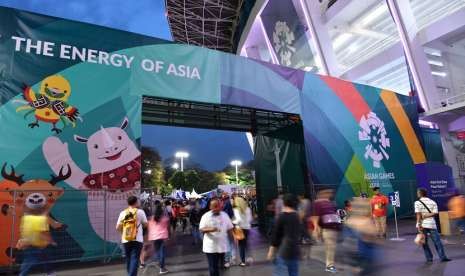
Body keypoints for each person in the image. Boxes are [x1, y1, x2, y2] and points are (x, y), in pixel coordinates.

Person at [17, 209, 60, 276]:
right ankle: (50, 273)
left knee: (43, 257)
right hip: (33, 244)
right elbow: (42, 233)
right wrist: (51, 241)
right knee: (30, 260)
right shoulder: (37, 220)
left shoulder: (27, 220)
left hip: (33, 244)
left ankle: (50, 272)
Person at [267, 194, 301, 276]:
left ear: (284, 203)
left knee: (280, 273)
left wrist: (271, 251)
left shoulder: (281, 217)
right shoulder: (297, 216)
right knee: (294, 273)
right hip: (295, 250)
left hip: (284, 251)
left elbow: (276, 235)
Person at [415, 188, 451, 263]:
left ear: (420, 194)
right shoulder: (432, 202)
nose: (417, 194)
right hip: (432, 224)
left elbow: (418, 215)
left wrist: (418, 224)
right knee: (437, 242)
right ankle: (443, 257)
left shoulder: (417, 203)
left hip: (423, 225)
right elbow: (435, 213)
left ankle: (429, 258)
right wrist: (427, 215)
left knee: (424, 242)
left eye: (418, 193)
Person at [199, 198, 234, 276]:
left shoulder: (225, 215)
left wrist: (233, 240)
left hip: (222, 246)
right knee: (213, 267)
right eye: (215, 206)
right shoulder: (206, 216)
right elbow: (201, 229)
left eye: (218, 206)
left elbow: (230, 228)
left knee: (221, 267)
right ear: (210, 207)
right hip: (210, 247)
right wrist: (211, 229)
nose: (217, 208)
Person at [116, 195, 148, 276]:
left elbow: (117, 227)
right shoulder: (140, 212)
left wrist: (124, 232)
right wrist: (140, 226)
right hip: (137, 239)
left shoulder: (123, 213)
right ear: (136, 202)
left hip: (125, 239)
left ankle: (130, 274)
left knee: (128, 258)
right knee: (135, 259)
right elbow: (145, 225)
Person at [311, 189, 341, 273]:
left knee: (331, 248)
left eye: (330, 192)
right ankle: (329, 266)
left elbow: (335, 214)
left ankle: (329, 264)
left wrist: (338, 227)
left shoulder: (331, 203)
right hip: (327, 229)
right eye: (327, 192)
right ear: (321, 193)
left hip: (333, 228)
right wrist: (316, 228)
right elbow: (315, 216)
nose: (330, 194)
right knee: (330, 248)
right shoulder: (317, 203)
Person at [147, 200, 170, 274]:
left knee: (157, 251)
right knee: (162, 251)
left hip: (154, 237)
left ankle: (160, 264)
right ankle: (162, 268)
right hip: (162, 236)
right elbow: (168, 227)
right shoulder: (165, 218)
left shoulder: (151, 219)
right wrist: (169, 235)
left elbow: (148, 227)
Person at [232, 196, 253, 266]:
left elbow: (238, 220)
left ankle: (243, 261)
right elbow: (250, 219)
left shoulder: (236, 209)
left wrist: (233, 221)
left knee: (241, 245)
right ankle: (249, 257)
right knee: (246, 243)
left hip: (240, 228)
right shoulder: (248, 209)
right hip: (247, 227)